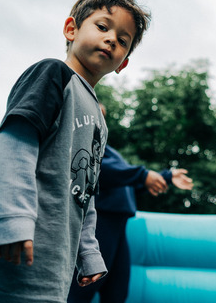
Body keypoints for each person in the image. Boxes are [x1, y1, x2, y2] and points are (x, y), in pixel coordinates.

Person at [0, 0, 152, 303]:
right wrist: (12, 219)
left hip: (52, 261)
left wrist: (89, 252)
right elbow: (14, 145)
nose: (111, 40)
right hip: (15, 242)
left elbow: (86, 191)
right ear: (71, 29)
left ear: (123, 63)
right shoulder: (53, 74)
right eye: (103, 27)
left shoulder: (99, 122)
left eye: (123, 39)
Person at [67, 106, 193, 303]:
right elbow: (107, 172)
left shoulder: (107, 149)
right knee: (84, 288)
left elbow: (124, 183)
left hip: (119, 225)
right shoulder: (80, 144)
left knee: (117, 291)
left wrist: (164, 178)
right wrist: (144, 176)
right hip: (100, 223)